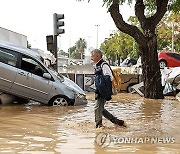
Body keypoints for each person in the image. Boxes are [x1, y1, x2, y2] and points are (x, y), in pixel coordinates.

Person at [91, 49, 127, 128]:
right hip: (99, 90)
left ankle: (99, 125)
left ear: (97, 56)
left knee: (97, 108)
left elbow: (109, 78)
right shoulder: (98, 65)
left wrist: (105, 91)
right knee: (101, 109)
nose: (91, 58)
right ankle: (117, 122)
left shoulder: (104, 65)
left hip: (102, 91)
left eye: (92, 56)